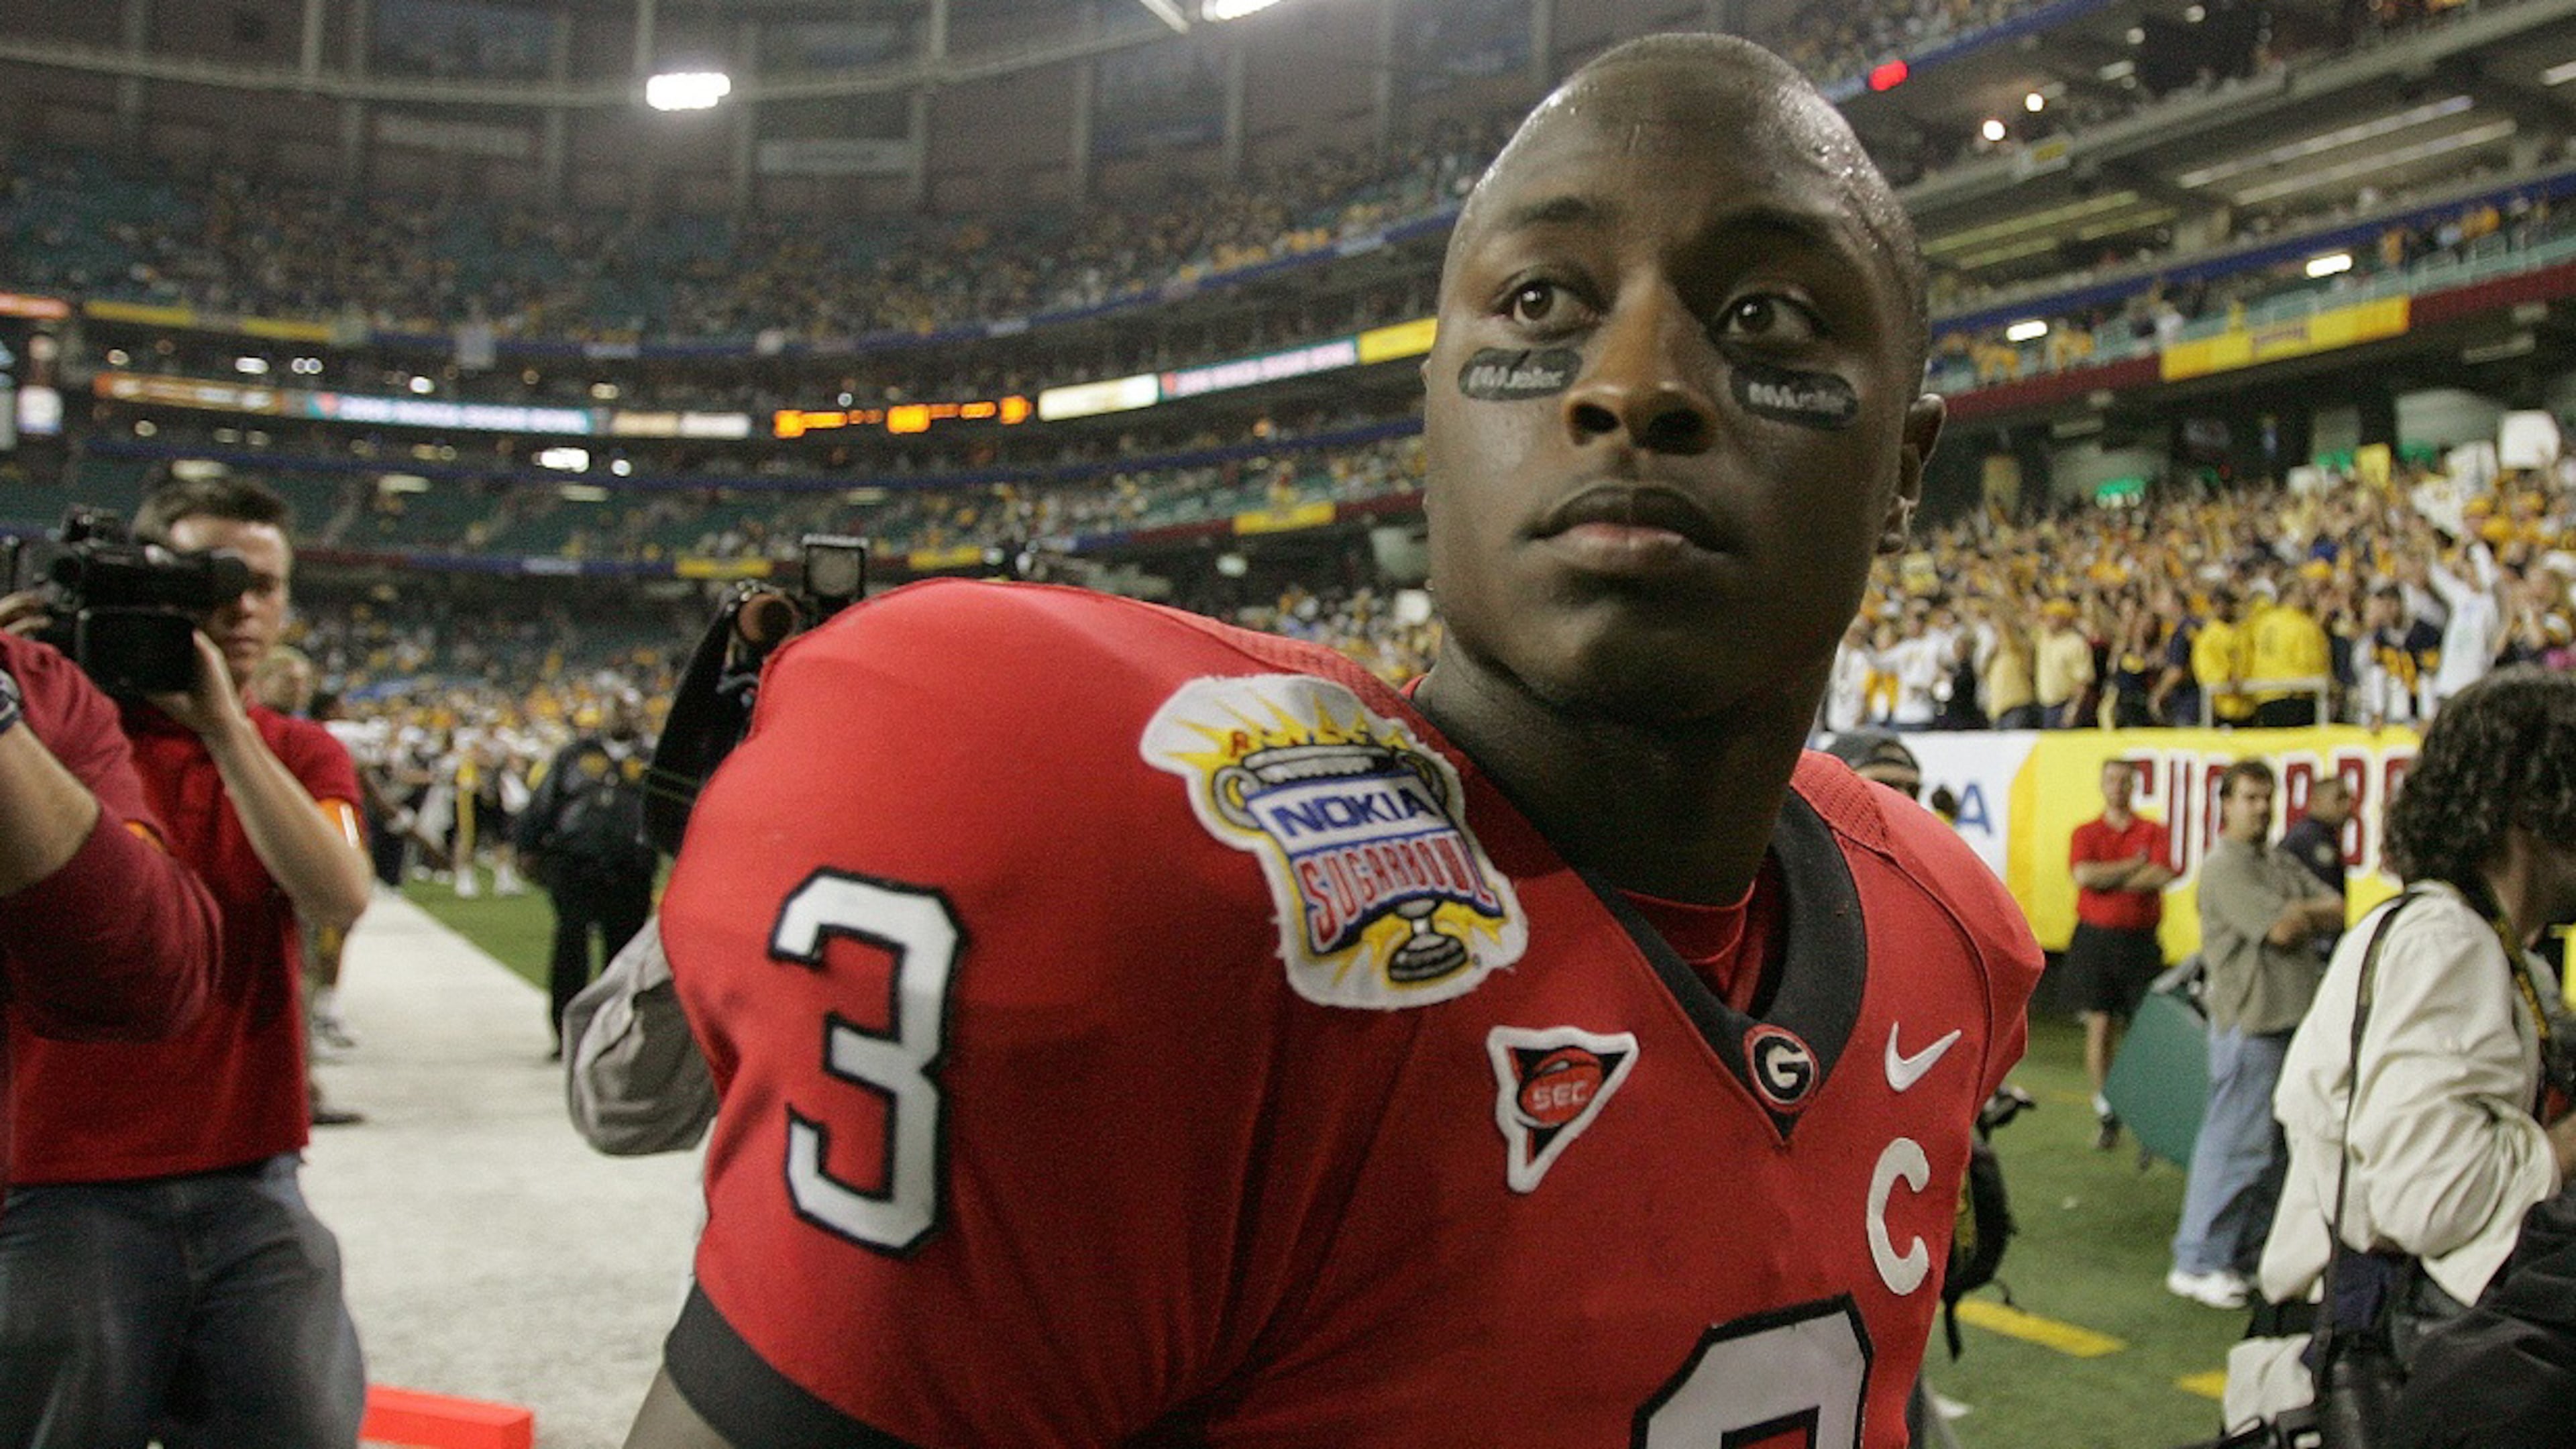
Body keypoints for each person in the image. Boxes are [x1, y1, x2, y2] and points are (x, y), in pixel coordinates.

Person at [625, 34, 2045, 1449]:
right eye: (1543, 300)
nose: (1634, 383)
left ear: (1905, 472)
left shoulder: (1944, 938)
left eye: (1771, 318)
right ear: (1432, 419)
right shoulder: (1147, 885)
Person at [0, 475, 376, 1447]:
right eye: (211, 578)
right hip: (58, 1178)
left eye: (265, 584)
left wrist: (222, 726)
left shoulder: (296, 751)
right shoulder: (60, 733)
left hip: (251, 1171)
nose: (242, 606)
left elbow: (338, 895)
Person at [2257, 667, 2576, 1403]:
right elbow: (2430, 1199)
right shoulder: (2448, 942)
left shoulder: (2478, 944)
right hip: (2373, 1357)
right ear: (2531, 810)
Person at [0, 629, 219, 1201]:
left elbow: (153, 975)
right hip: (52, 1158)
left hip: (223, 1130)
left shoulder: (39, 688)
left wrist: (230, 735)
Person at [2167, 759, 2345, 1309]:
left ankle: (2239, 1257)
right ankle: (2197, 1261)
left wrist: (2299, 914)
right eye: (2249, 798)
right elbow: (2287, 927)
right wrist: (2298, 914)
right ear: (2224, 803)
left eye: (2266, 798)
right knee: (2234, 1149)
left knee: (2272, 1157)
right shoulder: (2225, 867)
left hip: (2288, 1023)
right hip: (2250, 1025)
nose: (2261, 807)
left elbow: (2339, 908)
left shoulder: (2275, 860)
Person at [517, 693, 657, 1059]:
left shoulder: (652, 756)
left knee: (623, 958)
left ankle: (615, 1036)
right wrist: (528, 845)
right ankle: (565, 1035)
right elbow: (545, 801)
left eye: (629, 709)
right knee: (569, 951)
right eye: (616, 709)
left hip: (630, 869)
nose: (622, 716)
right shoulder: (575, 754)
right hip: (577, 865)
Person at [2065, 758, 2176, 1151]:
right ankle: (2106, 1110)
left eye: (2125, 780)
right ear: (2102, 784)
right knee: (2100, 1025)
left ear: (2135, 785)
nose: (2118, 787)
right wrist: (2133, 867)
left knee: (2144, 1031)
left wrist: (2107, 879)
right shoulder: (2086, 832)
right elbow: (2083, 876)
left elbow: (2162, 874)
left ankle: (2146, 1115)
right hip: (2096, 940)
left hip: (2140, 941)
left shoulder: (2153, 830)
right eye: (2111, 779)